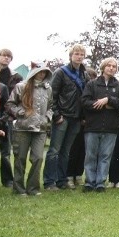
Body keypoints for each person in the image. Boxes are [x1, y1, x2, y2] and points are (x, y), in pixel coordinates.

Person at [44, 44, 87, 190]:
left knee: (66, 151)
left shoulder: (84, 74)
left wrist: (82, 116)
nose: (79, 56)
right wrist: (56, 115)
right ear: (71, 55)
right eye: (76, 53)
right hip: (62, 116)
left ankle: (62, 180)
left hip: (75, 118)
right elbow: (52, 96)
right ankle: (49, 181)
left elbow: (84, 98)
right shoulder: (61, 72)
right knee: (54, 150)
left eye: (82, 54)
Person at [6, 65, 54, 196]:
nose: (42, 74)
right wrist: (20, 112)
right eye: (40, 72)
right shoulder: (21, 86)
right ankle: (19, 188)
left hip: (40, 128)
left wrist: (47, 118)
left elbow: (51, 106)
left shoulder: (48, 89)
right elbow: (10, 104)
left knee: (38, 157)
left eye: (44, 72)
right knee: (20, 158)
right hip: (22, 127)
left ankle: (33, 188)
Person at [81, 58, 119, 192]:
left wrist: (109, 100)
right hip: (93, 126)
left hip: (111, 128)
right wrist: (101, 105)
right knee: (90, 155)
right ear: (103, 67)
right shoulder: (92, 84)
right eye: (109, 65)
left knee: (105, 156)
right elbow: (84, 102)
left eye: (114, 66)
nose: (111, 68)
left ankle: (100, 182)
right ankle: (89, 182)